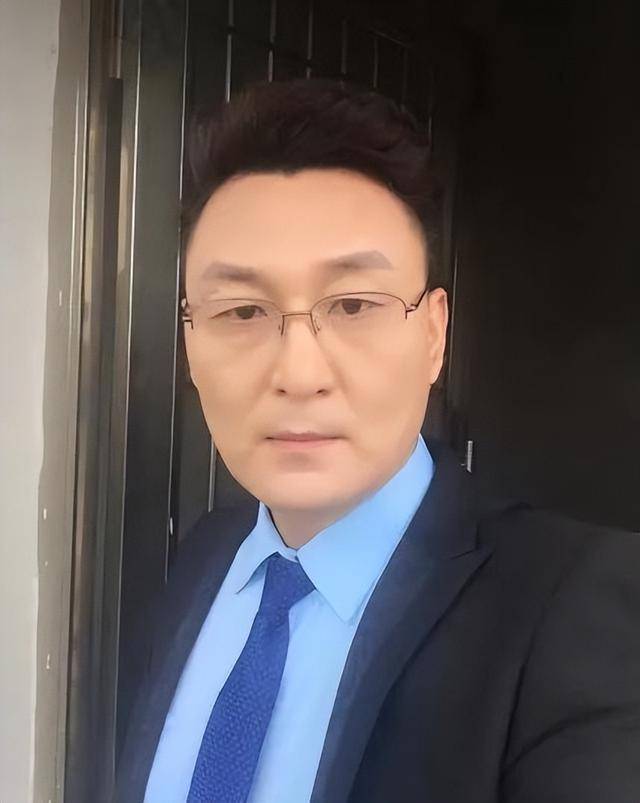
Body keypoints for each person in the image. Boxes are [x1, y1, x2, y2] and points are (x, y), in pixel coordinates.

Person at [113, 78, 640, 803]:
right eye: (242, 311)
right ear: (189, 341)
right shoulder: (208, 559)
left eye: (355, 304)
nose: (299, 374)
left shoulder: (569, 606)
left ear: (434, 335)